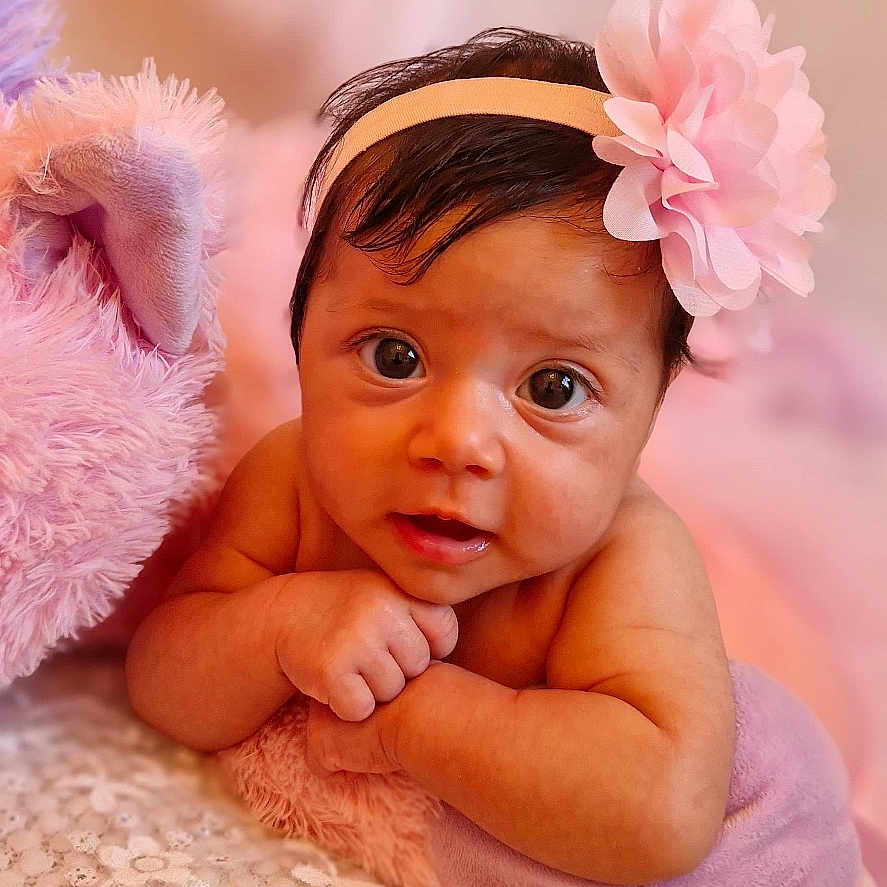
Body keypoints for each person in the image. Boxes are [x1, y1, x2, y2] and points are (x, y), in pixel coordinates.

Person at [125, 4, 850, 883]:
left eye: (552, 388)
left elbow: (659, 817)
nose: (457, 441)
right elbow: (164, 684)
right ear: (302, 336)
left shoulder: (624, 554)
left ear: (654, 409)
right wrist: (279, 624)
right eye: (395, 357)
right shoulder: (294, 478)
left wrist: (410, 720)